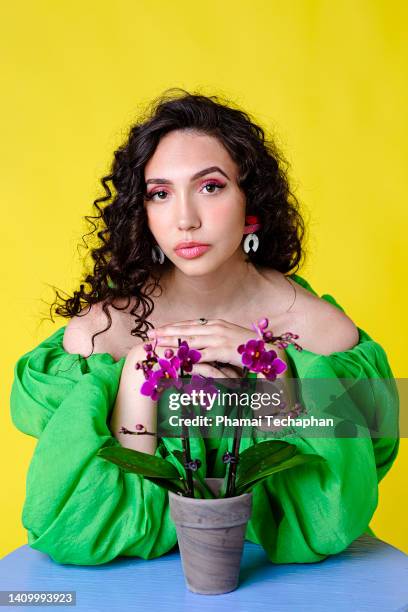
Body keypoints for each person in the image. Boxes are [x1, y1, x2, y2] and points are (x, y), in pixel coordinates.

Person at [10, 89, 399, 566]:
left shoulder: (321, 334)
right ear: (143, 214)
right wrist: (138, 379)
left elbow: (326, 522)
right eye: (160, 194)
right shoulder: (100, 336)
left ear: (250, 202)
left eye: (210, 187)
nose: (185, 220)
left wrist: (275, 381)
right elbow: (81, 529)